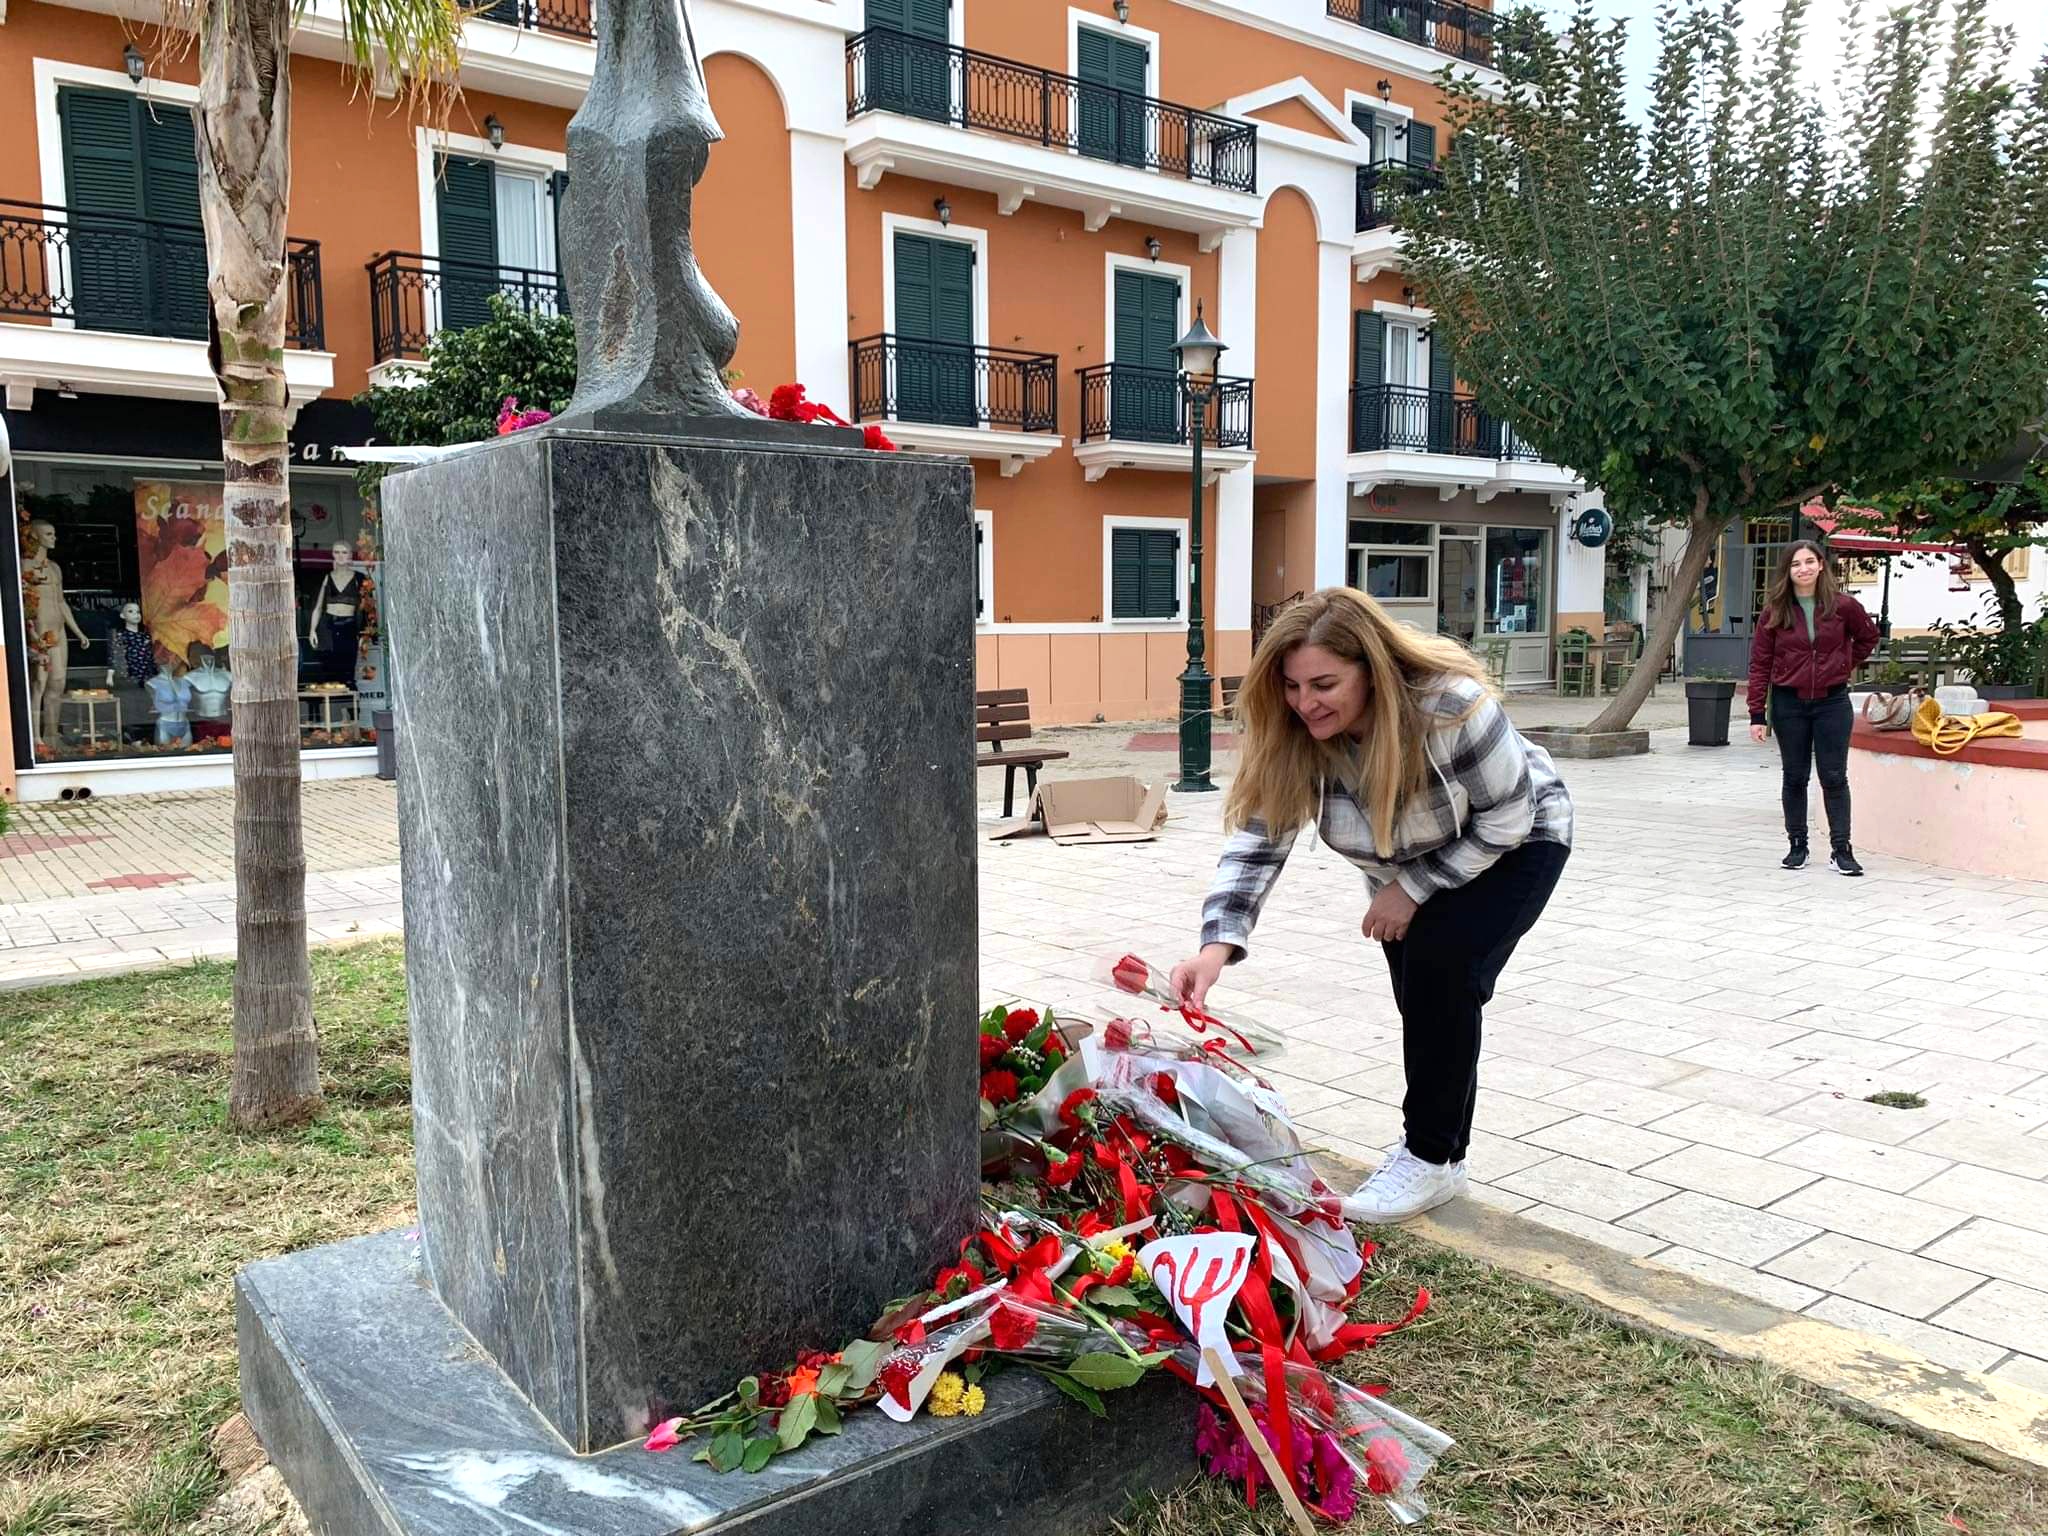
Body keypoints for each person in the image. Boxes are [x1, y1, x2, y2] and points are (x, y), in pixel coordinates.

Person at [1170, 588, 1574, 1224]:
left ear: (1373, 669)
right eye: (1292, 686)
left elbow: (1509, 815)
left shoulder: (1451, 706)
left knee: (1441, 967)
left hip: (1518, 839)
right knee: (1428, 999)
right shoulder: (1299, 733)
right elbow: (1258, 842)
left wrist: (1412, 890)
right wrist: (1214, 948)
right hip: (1405, 868)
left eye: (1324, 684)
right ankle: (1447, 1160)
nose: (1305, 703)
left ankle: (1427, 1156)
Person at [1746, 539, 1880, 876]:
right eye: (1795, 564)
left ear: (1821, 565)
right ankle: (1797, 845)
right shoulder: (1775, 611)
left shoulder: (1844, 606)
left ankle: (1841, 850)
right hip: (1789, 703)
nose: (1803, 569)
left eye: (1809, 561)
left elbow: (1868, 637)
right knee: (1794, 776)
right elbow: (1760, 663)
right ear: (1787, 571)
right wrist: (1757, 713)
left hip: (1832, 702)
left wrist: (1842, 664)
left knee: (1833, 777)